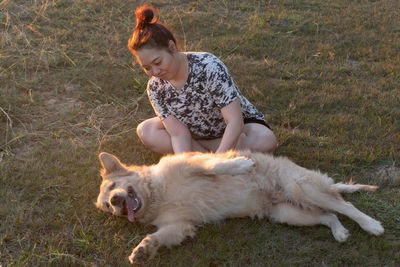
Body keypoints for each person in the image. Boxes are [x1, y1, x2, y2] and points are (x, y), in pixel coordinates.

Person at [128, 5, 277, 155]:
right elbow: (179, 134)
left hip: (236, 129)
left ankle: (204, 153)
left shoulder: (208, 66)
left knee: (265, 140)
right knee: (146, 130)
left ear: (172, 47)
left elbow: (235, 122)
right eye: (147, 68)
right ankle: (204, 158)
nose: (155, 72)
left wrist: (219, 160)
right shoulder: (155, 87)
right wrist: (184, 163)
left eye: (158, 62)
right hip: (193, 131)